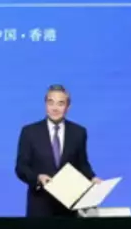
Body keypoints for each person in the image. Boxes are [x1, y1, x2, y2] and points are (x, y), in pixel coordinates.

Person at [14, 84, 102, 217]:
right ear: (45, 104)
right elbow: (21, 167)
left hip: (69, 206)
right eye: (51, 103)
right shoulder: (29, 132)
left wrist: (92, 178)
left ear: (68, 107)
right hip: (40, 206)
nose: (55, 108)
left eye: (60, 104)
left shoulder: (78, 132)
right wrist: (37, 178)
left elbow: (82, 164)